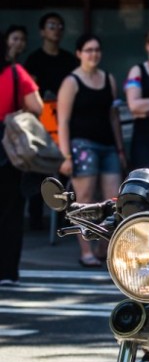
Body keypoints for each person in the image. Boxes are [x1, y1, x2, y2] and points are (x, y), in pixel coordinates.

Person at [57, 33, 126, 267]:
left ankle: (103, 248)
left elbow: (113, 117)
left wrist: (119, 149)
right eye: (88, 50)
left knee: (113, 200)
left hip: (108, 146)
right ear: (78, 54)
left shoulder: (108, 78)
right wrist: (65, 155)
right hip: (81, 147)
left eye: (96, 49)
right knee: (84, 201)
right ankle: (85, 250)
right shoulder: (71, 82)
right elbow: (62, 121)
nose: (93, 54)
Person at [24, 12, 78, 230]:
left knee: (65, 170)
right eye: (51, 25)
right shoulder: (34, 59)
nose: (56, 29)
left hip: (64, 121)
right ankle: (36, 217)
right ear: (42, 31)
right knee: (40, 170)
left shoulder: (68, 60)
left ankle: (67, 219)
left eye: (59, 25)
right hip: (40, 123)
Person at [0, 33, 43, 284]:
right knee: (11, 212)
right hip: (9, 149)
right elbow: (37, 106)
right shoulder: (15, 73)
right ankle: (6, 272)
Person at [124, 28, 149, 173]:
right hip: (144, 138)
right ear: (147, 45)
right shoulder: (138, 70)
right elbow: (134, 105)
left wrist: (148, 110)